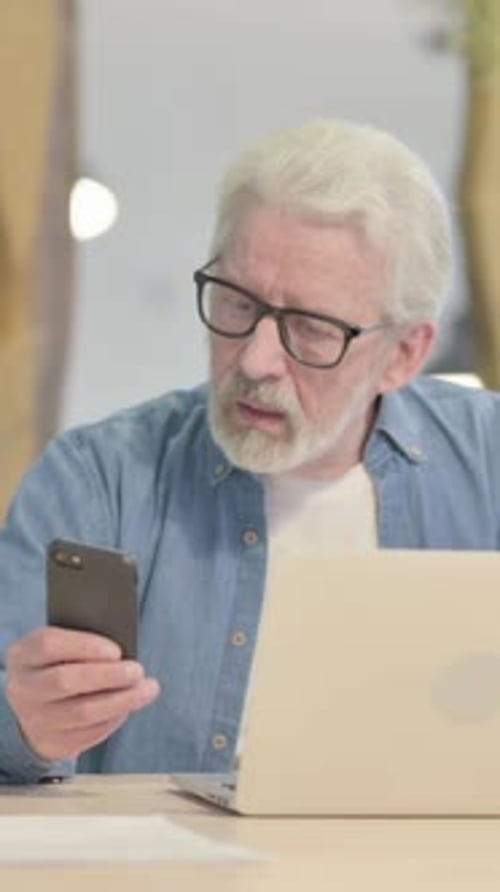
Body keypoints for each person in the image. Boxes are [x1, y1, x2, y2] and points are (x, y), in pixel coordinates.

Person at [1, 118, 500, 785]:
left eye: (311, 329)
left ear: (403, 354)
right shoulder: (99, 479)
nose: (257, 359)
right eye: (237, 303)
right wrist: (23, 728)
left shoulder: (487, 460)